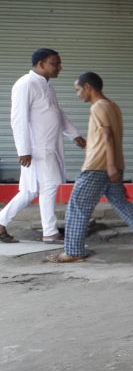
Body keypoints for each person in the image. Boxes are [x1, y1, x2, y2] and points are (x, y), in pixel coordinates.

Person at [45, 72, 133, 262]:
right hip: (110, 164)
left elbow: (107, 136)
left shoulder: (98, 107)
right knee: (120, 202)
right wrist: (113, 165)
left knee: (77, 206)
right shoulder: (113, 106)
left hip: (98, 166)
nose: (77, 94)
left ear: (88, 87)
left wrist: (110, 165)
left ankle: (73, 252)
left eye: (78, 89)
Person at [0, 48, 85, 243]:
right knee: (49, 186)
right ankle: (50, 232)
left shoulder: (46, 85)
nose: (59, 67)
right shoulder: (25, 84)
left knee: (30, 190)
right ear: (40, 64)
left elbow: (57, 113)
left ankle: (1, 223)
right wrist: (24, 150)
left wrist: (74, 135)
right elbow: (18, 119)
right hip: (37, 149)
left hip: (48, 146)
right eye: (55, 63)